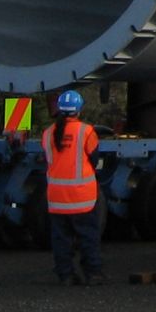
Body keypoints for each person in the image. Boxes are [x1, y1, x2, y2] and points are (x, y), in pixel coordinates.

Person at [41, 89, 104, 286]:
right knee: (88, 237)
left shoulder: (48, 133)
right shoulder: (86, 131)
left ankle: (65, 275)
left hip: (57, 197)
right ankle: (93, 274)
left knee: (61, 239)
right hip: (82, 197)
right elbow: (94, 159)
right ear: (78, 110)